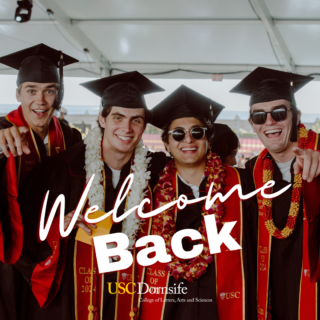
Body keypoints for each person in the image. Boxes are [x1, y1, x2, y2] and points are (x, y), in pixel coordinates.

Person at [15, 71, 168, 320]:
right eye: (118, 117)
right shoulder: (62, 168)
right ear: (102, 119)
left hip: (128, 297)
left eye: (136, 120)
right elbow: (20, 228)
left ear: (144, 126)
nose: (127, 128)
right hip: (71, 300)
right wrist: (57, 225)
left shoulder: (156, 170)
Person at [139, 85, 257, 320]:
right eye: (178, 134)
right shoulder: (149, 191)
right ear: (166, 143)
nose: (188, 140)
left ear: (209, 139)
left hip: (225, 304)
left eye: (197, 132)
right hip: (170, 307)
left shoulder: (242, 184)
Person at [231, 67, 320, 320]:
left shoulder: (319, 153)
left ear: (297, 115)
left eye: (279, 113)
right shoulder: (251, 172)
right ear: (252, 124)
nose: (269, 122)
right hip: (274, 298)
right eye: (259, 117)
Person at [0, 44, 81, 320]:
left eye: (49, 90)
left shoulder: (71, 138)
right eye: (31, 90)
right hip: (10, 251)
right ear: (18, 94)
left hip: (52, 249)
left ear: (58, 95)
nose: (41, 100)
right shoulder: (2, 132)